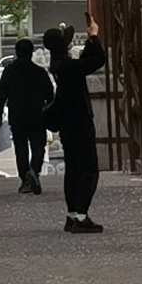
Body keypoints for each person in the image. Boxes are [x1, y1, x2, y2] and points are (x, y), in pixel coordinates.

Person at [45, 18, 108, 231]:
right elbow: (97, 60)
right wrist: (93, 35)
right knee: (88, 169)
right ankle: (81, 216)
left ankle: (73, 214)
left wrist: (90, 41)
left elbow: (84, 63)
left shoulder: (60, 65)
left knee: (73, 169)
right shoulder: (68, 67)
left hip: (68, 126)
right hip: (79, 123)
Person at [0, 34, 54, 192]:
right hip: (37, 116)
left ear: (16, 52)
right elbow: (50, 95)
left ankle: (25, 179)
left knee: (20, 149)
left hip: (17, 116)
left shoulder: (9, 72)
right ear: (31, 53)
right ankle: (34, 171)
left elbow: (2, 94)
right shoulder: (39, 72)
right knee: (38, 147)